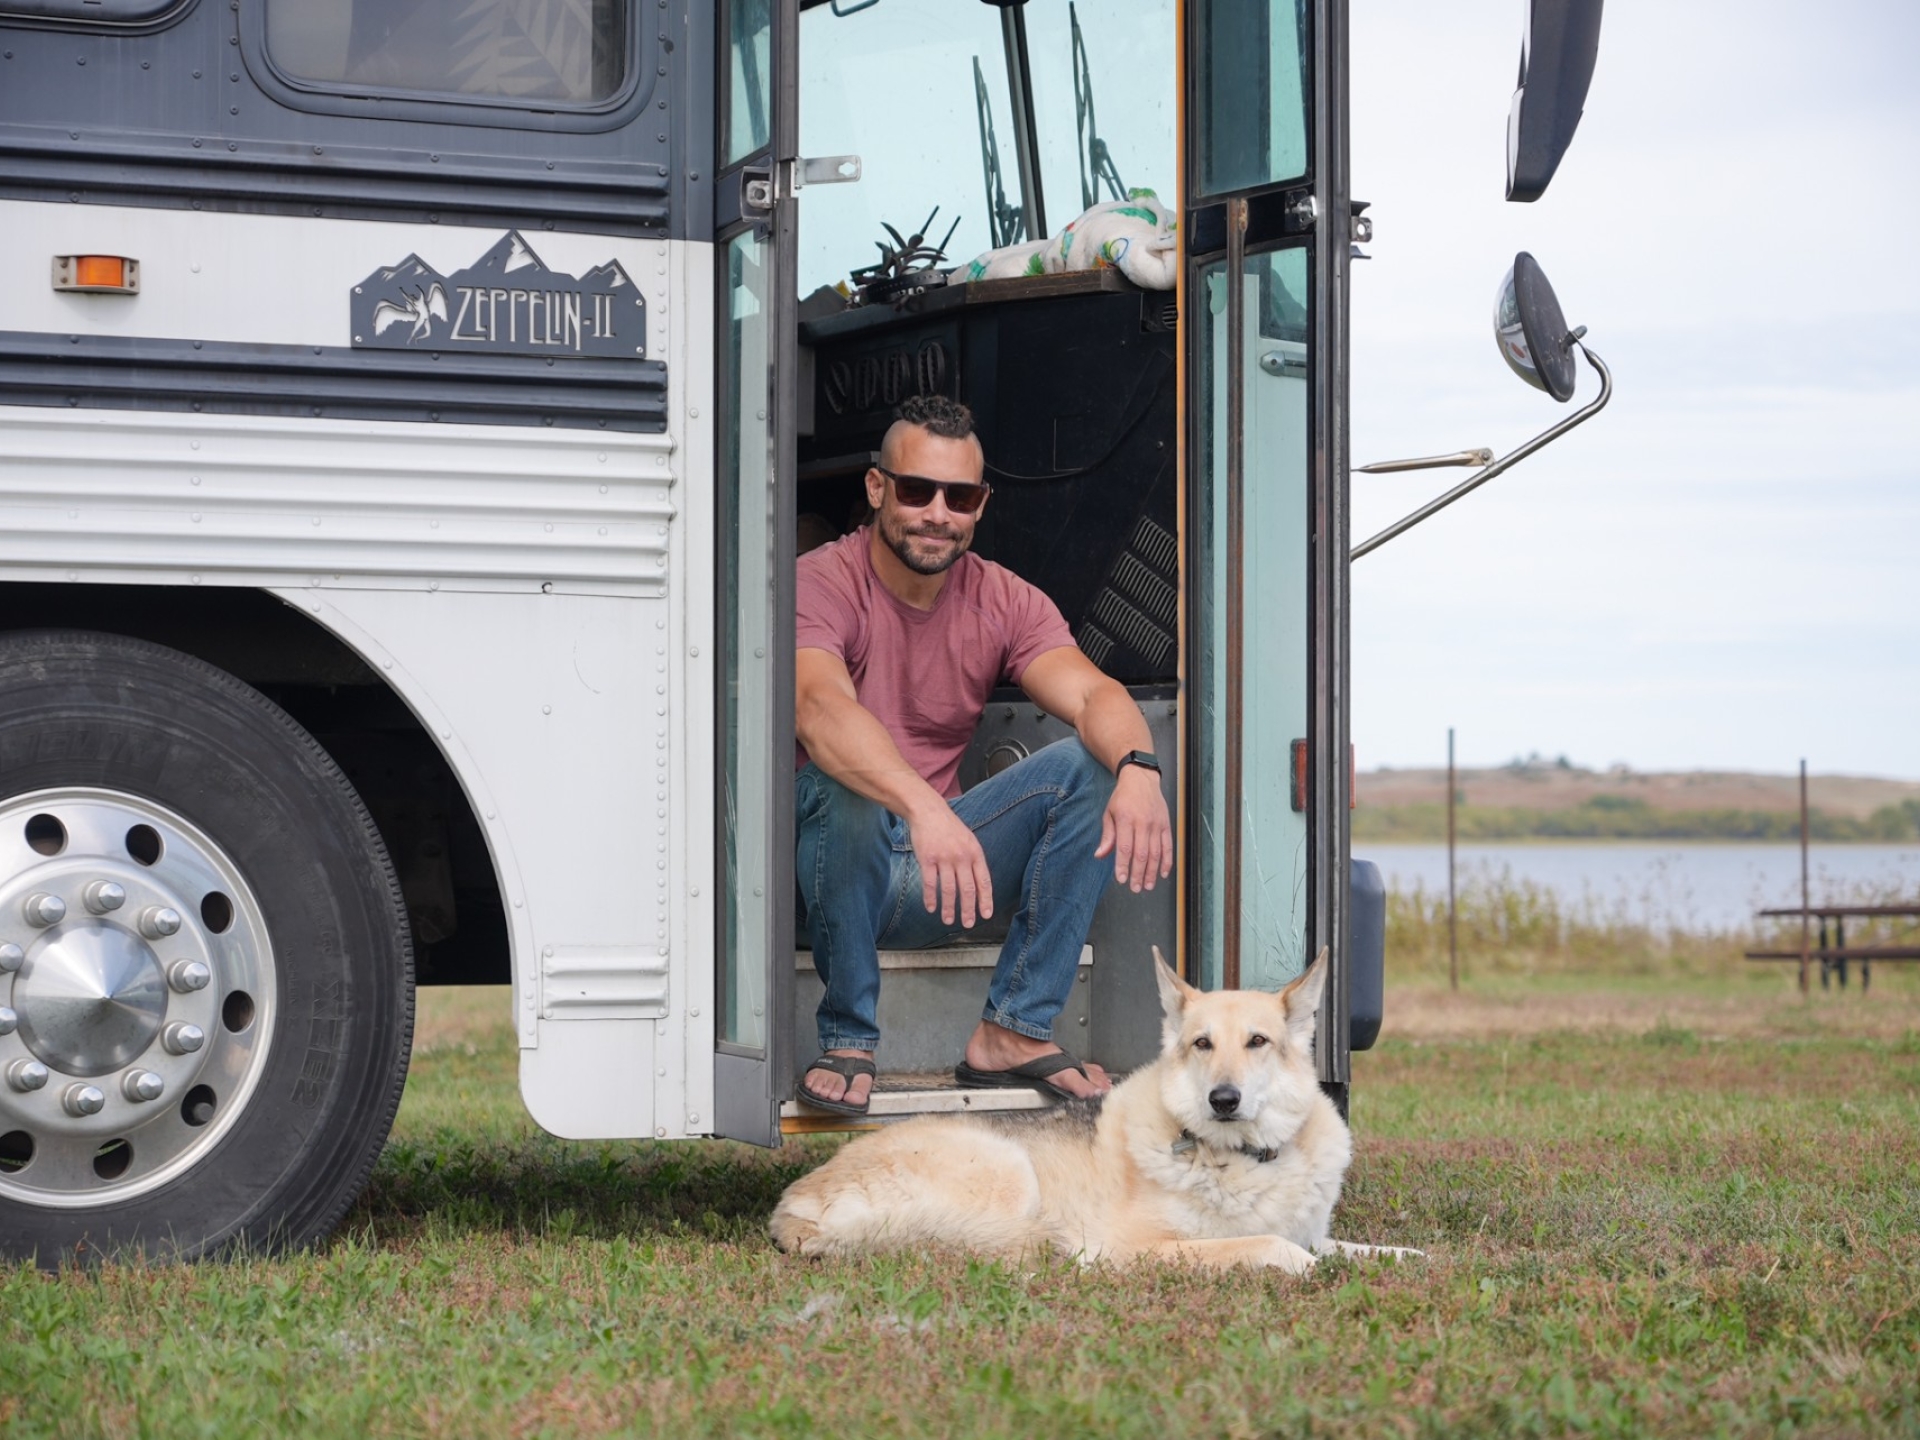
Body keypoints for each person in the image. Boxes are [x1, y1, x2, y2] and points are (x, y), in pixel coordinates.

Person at [794, 394, 1173, 1115]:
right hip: (831, 875)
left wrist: (1139, 769)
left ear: (981, 505)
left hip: (935, 878)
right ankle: (848, 1036)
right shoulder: (821, 582)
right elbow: (821, 711)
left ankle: (1014, 1029)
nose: (938, 512)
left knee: (1089, 767)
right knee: (845, 789)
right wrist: (923, 806)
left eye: (959, 496)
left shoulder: (1003, 598)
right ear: (877, 490)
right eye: (916, 490)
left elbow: (1096, 696)